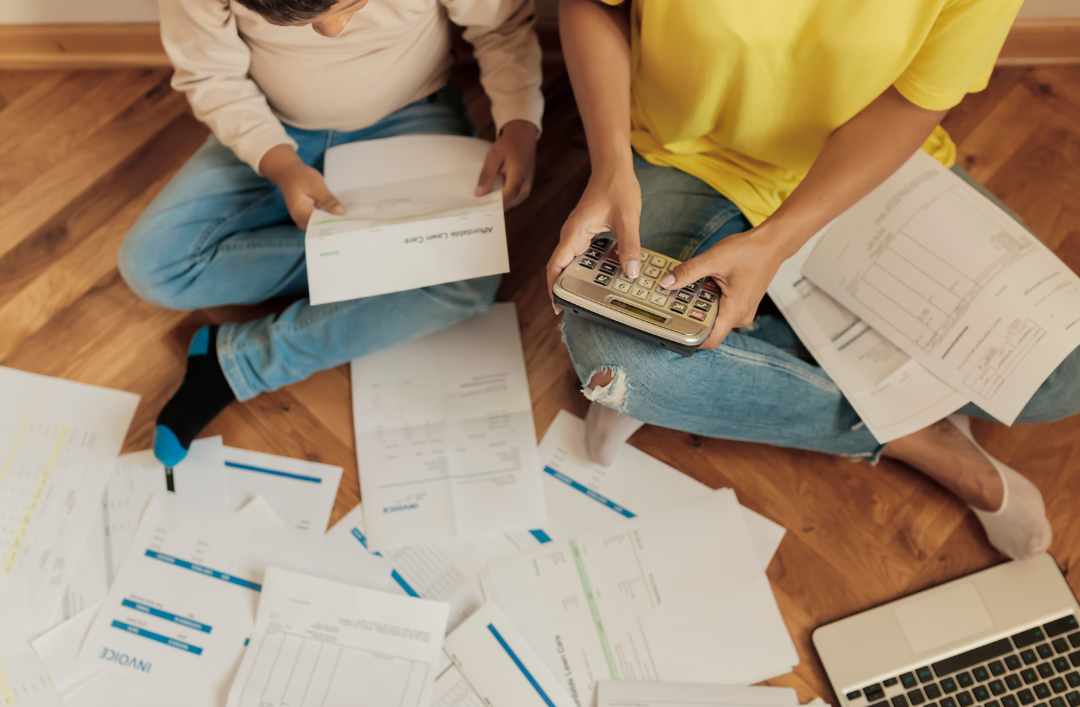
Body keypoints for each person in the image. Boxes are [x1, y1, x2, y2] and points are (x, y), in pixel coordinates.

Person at [548, 0, 1080, 561]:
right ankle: (914, 436)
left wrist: (779, 240)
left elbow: (915, 99)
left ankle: (744, 365)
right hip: (687, 155)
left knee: (1066, 376)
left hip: (856, 169)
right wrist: (610, 164)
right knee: (620, 368)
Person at [119, 0, 543, 467]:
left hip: (409, 115)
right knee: (150, 265)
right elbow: (210, 73)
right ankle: (377, 258)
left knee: (468, 277)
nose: (332, 31)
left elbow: (501, 29)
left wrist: (519, 119)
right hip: (268, 123)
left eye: (348, 6)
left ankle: (238, 363)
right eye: (301, 23)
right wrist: (277, 162)